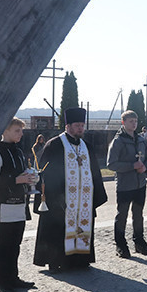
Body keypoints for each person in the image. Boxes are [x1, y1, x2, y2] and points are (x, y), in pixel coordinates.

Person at [33, 107, 107, 273]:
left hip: (83, 200)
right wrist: (55, 197)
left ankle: (80, 259)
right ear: (67, 126)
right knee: (58, 228)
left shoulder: (86, 146)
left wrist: (95, 195)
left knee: (83, 225)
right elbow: (46, 174)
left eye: (82, 125)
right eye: (77, 125)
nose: (81, 128)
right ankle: (56, 261)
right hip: (60, 199)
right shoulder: (55, 145)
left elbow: (95, 173)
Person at [0, 117, 38, 292]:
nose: (21, 134)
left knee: (16, 244)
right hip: (4, 206)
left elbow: (21, 173)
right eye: (17, 131)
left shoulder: (18, 151)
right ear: (5, 131)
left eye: (21, 131)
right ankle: (2, 282)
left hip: (20, 205)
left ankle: (13, 278)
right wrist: (16, 180)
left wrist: (30, 176)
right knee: (4, 245)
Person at [107, 110, 147, 259]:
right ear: (123, 122)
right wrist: (131, 165)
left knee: (138, 215)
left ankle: (139, 241)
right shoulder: (118, 141)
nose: (134, 124)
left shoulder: (141, 140)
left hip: (140, 183)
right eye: (130, 121)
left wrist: (145, 167)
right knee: (122, 215)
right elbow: (111, 164)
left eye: (135, 121)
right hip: (125, 185)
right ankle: (120, 244)